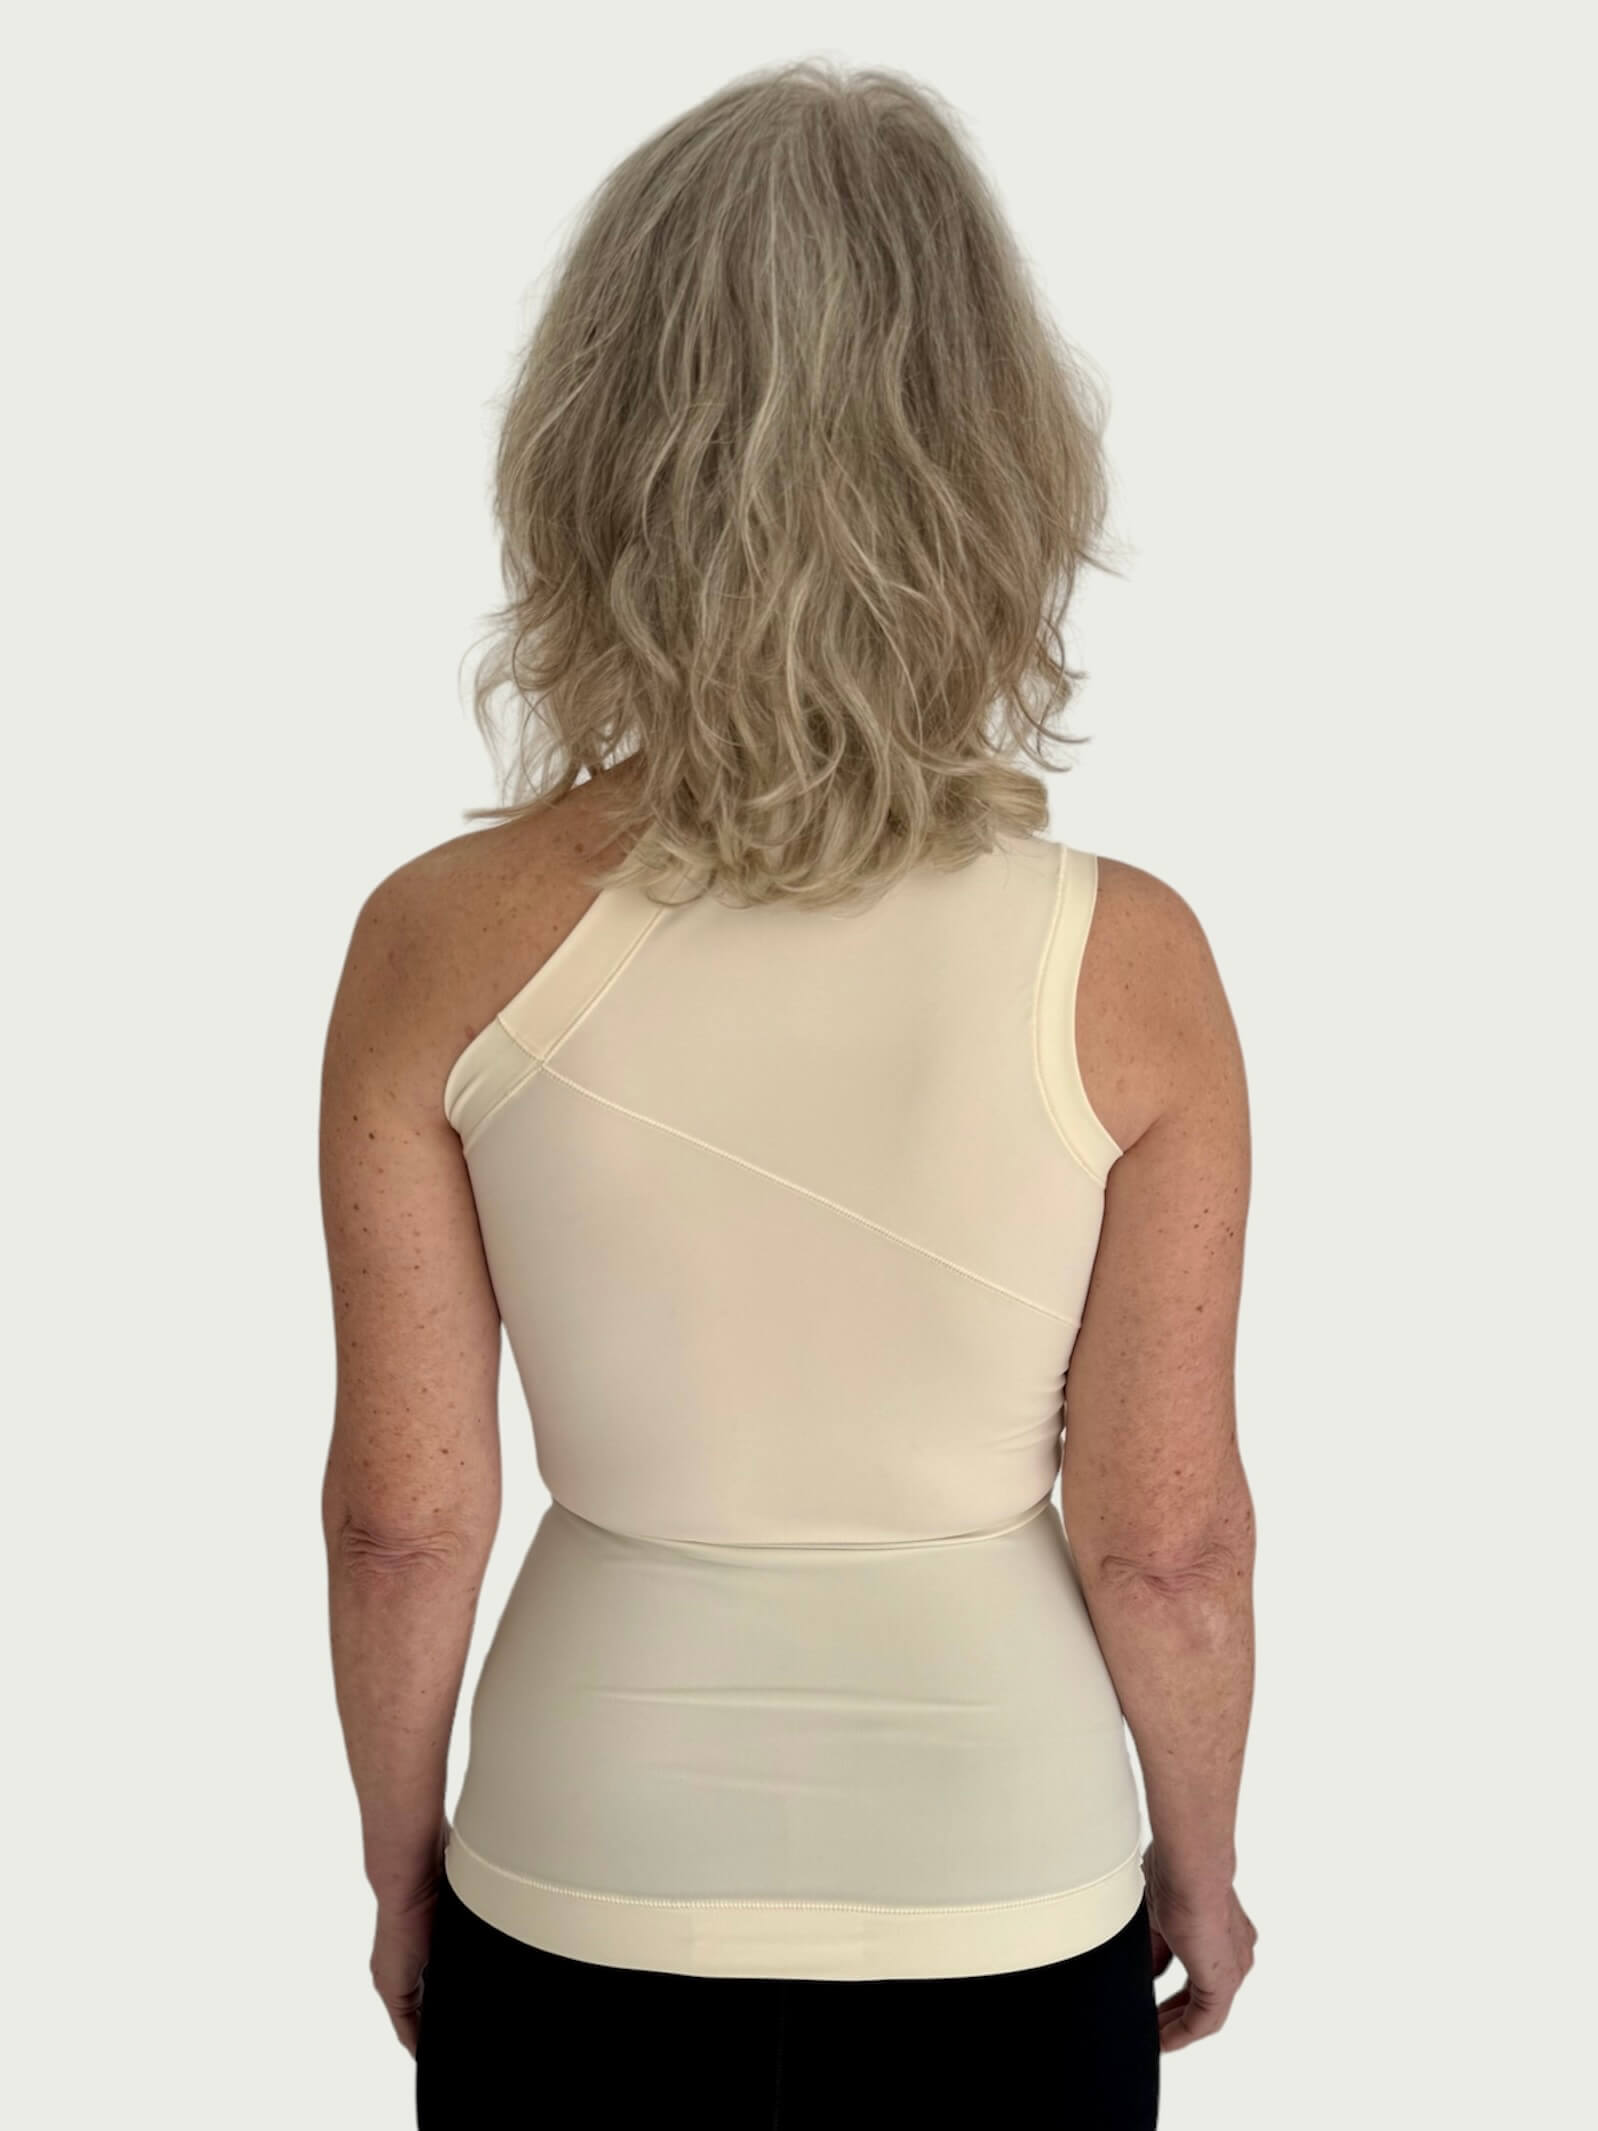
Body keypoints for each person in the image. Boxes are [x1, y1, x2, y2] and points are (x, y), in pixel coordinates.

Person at [319, 58, 1256, 2129]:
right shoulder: (1126, 964)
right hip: (1001, 1892)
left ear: (592, 448)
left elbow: (403, 1520)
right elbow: (1168, 1547)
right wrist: (1194, 1866)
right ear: (994, 466)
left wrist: (402, 1866)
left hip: (578, 1873)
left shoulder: (437, 939)